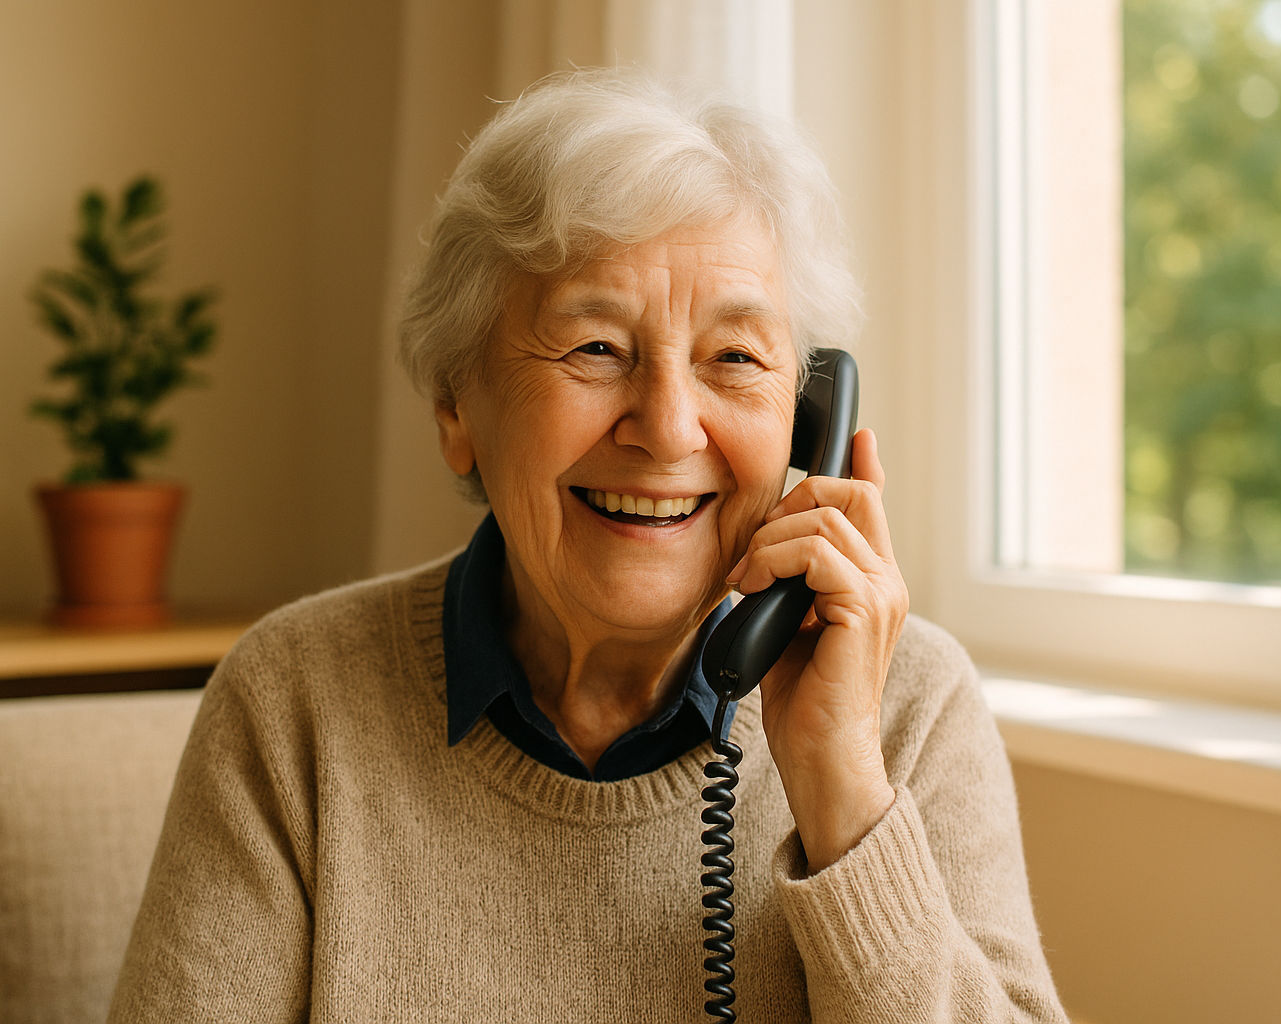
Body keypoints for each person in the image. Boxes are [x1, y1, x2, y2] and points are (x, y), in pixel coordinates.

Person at [109, 69, 1069, 1023]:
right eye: (596, 349)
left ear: (808, 420)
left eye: (735, 358)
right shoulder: (294, 699)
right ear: (456, 406)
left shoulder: (908, 705)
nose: (668, 428)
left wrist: (844, 793)